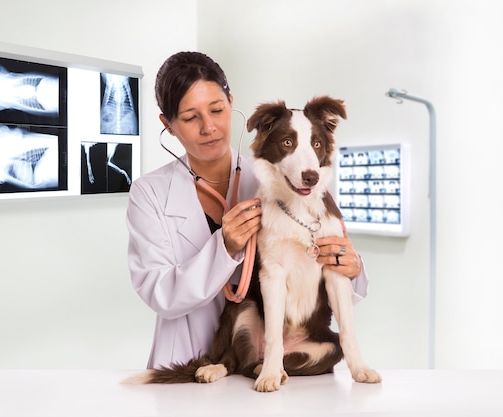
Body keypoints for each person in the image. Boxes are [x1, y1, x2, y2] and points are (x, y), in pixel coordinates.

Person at [126, 51, 370, 369]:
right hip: (186, 356)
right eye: (189, 117)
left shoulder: (284, 177)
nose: (209, 127)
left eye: (217, 109)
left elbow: (318, 287)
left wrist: (351, 268)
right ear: (167, 125)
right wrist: (225, 247)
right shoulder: (150, 193)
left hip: (272, 358)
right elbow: (160, 294)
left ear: (231, 101)